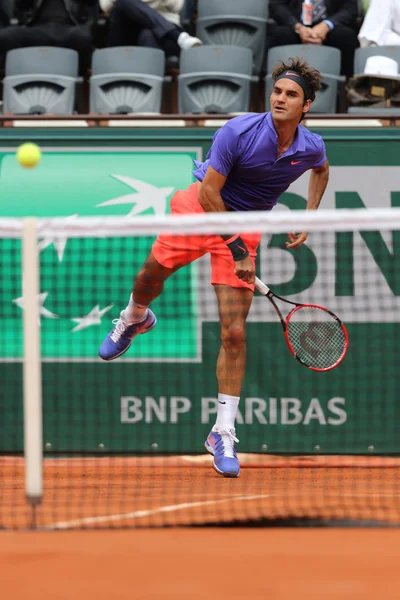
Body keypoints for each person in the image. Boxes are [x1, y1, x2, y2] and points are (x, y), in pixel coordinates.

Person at [99, 57, 330, 478]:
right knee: (149, 279)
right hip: (203, 208)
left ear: (306, 106)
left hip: (245, 224)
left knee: (235, 332)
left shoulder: (310, 146)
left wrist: (309, 216)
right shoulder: (238, 131)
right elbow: (209, 195)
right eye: (277, 91)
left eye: (291, 94)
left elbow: (322, 170)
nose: (280, 99)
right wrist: (238, 248)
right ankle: (135, 317)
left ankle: (222, 431)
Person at [269, 0, 359, 79]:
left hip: (331, 25)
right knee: (280, 34)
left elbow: (350, 9)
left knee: (345, 37)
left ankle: (343, 89)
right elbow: (277, 6)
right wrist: (298, 27)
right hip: (295, 24)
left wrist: (327, 25)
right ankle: (280, 84)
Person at [0, 0, 98, 73]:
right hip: (37, 29)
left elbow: (91, 2)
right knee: (6, 36)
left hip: (70, 29)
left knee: (83, 37)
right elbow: (21, 5)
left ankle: (79, 80)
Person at [100, 0, 202, 54]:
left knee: (148, 34)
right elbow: (105, 6)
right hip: (127, 34)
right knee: (124, 2)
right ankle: (177, 35)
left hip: (162, 37)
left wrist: (138, 4)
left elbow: (175, 5)